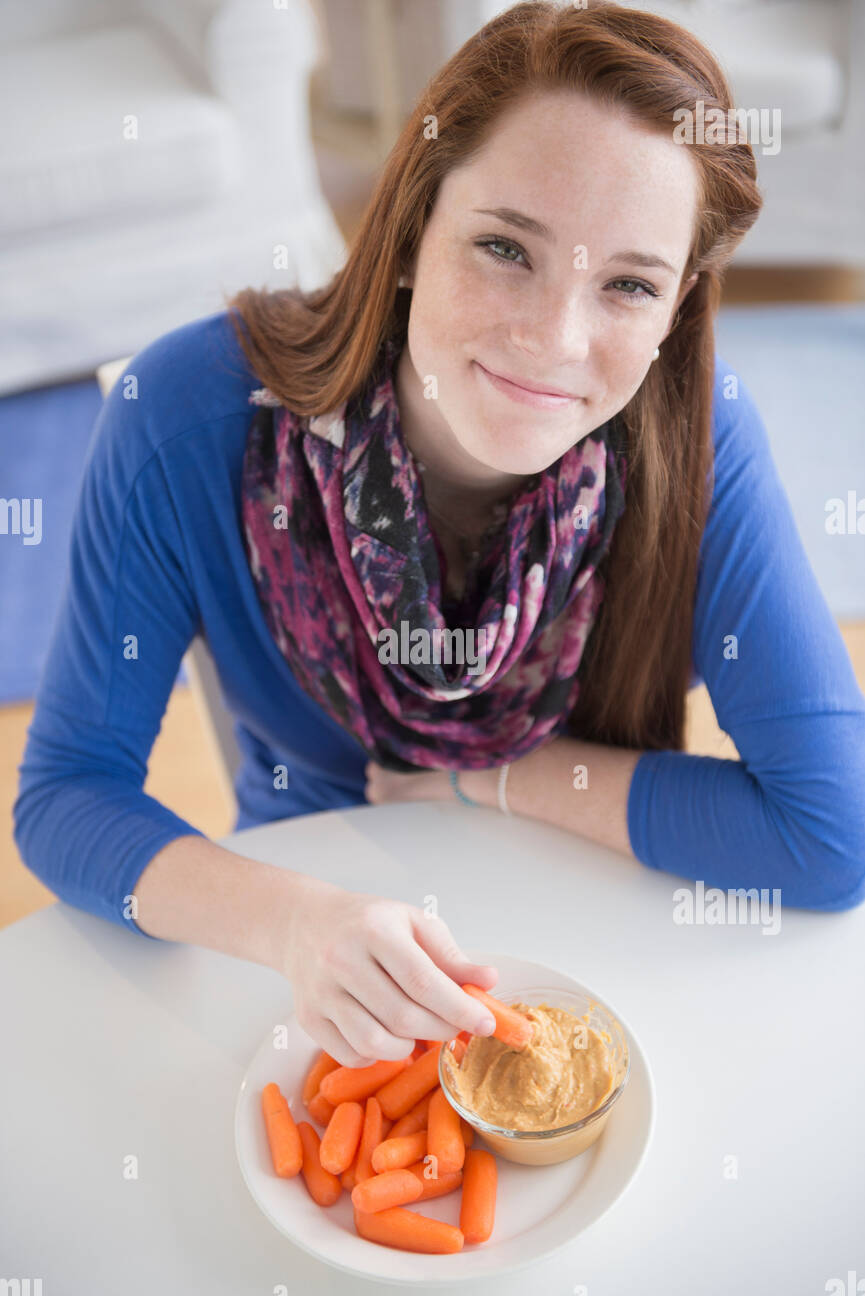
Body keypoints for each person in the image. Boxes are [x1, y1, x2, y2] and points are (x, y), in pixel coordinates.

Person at [14, 1, 865, 1067]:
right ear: (414, 228)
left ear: (675, 308)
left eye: (629, 285)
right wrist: (294, 922)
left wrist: (488, 776)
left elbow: (832, 832)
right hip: (316, 915)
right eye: (506, 247)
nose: (553, 339)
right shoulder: (186, 416)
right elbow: (66, 796)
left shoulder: (701, 436)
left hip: (605, 902)